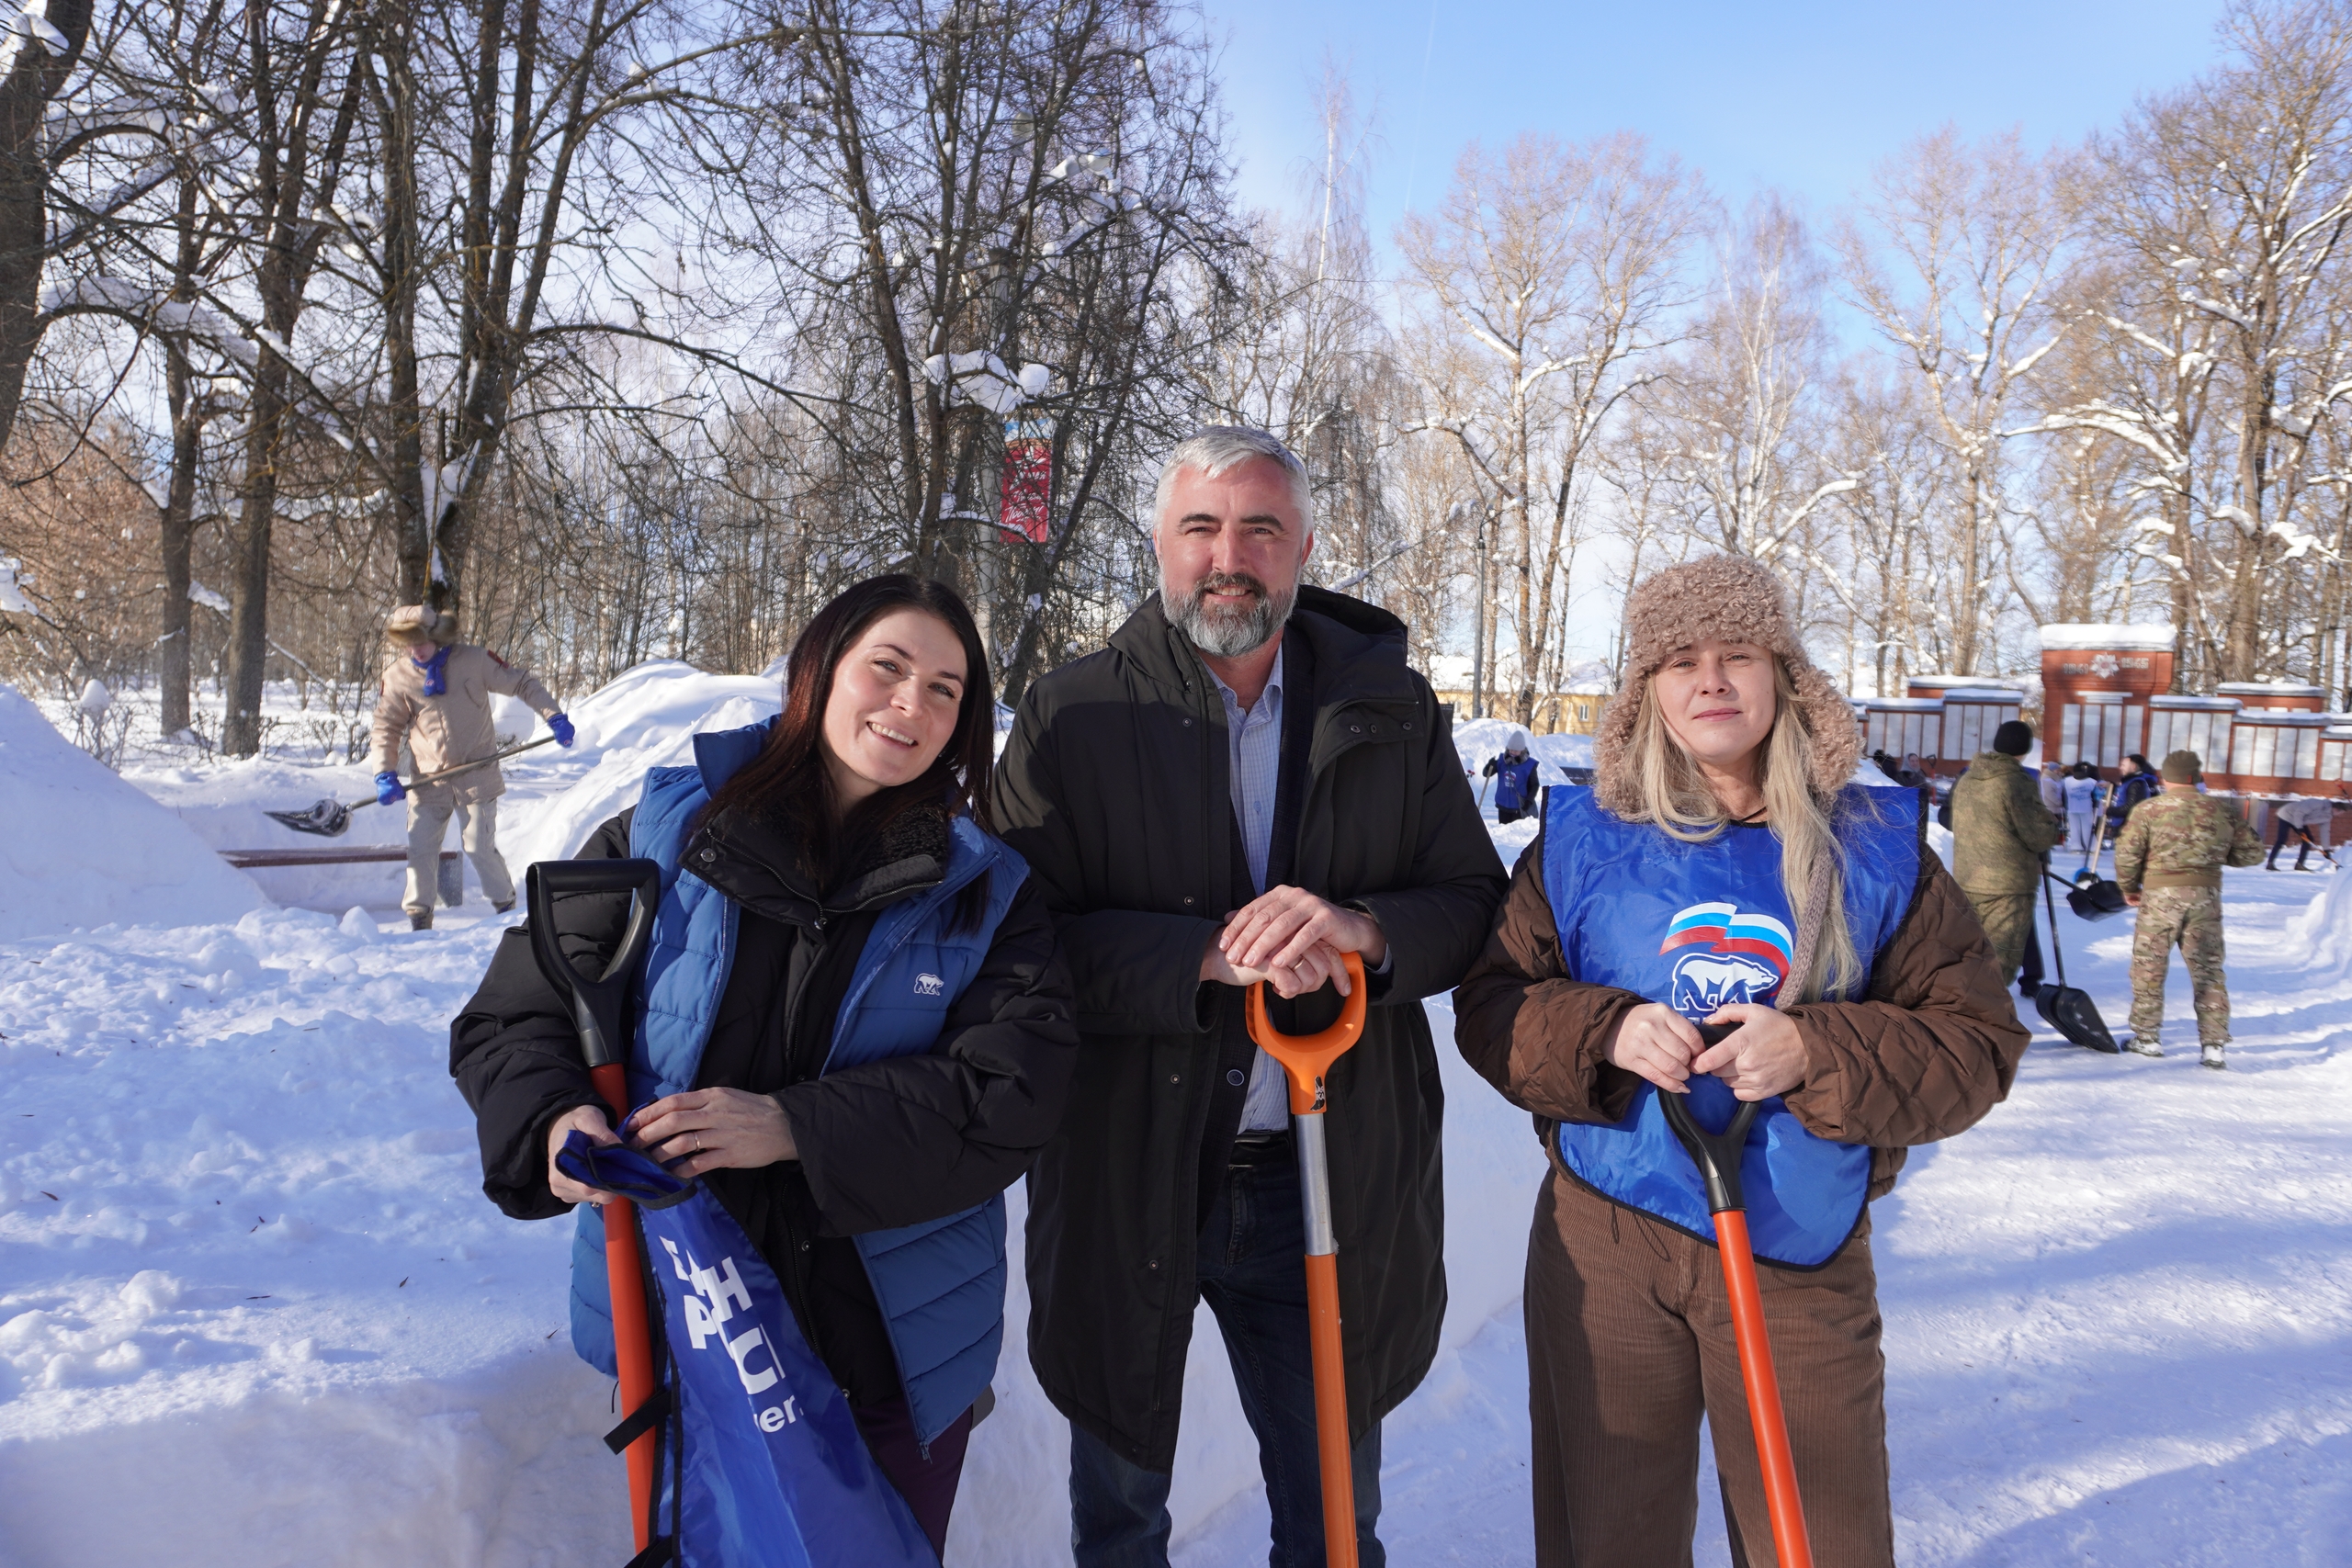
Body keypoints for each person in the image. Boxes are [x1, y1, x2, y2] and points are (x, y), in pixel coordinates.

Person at [448, 575, 1077, 1556]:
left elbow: (1010, 1095)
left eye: (947, 691)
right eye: (889, 667)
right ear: (819, 671)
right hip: (687, 1333)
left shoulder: (988, 895)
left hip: (887, 1356)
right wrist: (553, 1125)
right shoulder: (666, 833)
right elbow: (515, 1016)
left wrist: (791, 1125)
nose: (912, 705)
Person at [993, 425, 1507, 1568]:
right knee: (1119, 1517)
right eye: (1201, 529)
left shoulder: (1392, 711)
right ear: (1160, 548)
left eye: (1261, 530)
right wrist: (1203, 958)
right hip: (1134, 1170)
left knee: (1333, 1520)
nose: (1231, 556)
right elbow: (1019, 948)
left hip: (1325, 1177)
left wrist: (1363, 931)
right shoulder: (1071, 717)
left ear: (1304, 548)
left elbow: (1474, 901)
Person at [1452, 554, 2027, 1567]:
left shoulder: (1875, 849)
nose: (1709, 681)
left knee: (1819, 1542)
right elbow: (1493, 1007)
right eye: (1679, 661)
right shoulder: (1584, 841)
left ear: (1782, 678)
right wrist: (1604, 1031)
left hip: (1794, 1247)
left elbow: (1974, 1048)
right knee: (1606, 1538)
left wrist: (1817, 1047)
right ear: (1648, 693)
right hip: (1608, 1239)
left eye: (1735, 654)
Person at [368, 603, 575, 930]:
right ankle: (419, 919)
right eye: (407, 644)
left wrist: (554, 715)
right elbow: (386, 729)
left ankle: (506, 907)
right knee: (421, 848)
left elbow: (521, 682)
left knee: (478, 845)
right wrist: (384, 772)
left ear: (436, 635)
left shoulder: (474, 660)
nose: (414, 650)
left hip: (477, 773)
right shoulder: (397, 677)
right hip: (429, 779)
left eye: (419, 641)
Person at [2116, 749, 2266, 1068]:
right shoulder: (2221, 811)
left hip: (2158, 898)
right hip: (2205, 898)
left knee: (2149, 967)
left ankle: (2147, 1037)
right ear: (2196, 778)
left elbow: (2127, 855)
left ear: (2164, 777)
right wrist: (2215, 860)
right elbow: (2253, 853)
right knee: (2208, 970)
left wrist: (2130, 889)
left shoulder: (2148, 810)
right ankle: (2213, 1045)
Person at [1948, 717, 2066, 987]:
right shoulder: (2014, 781)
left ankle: (1962, 1012)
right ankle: (1980, 1021)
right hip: (2007, 886)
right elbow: (2038, 834)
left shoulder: (1968, 779)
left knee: (1971, 954)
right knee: (2001, 962)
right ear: (2024, 749)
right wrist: (2050, 824)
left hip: (1969, 879)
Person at [2265, 795, 2338, 871]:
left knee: (2308, 839)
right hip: (2286, 814)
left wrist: (2326, 850)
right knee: (2281, 839)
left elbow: (2325, 832)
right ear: (2335, 809)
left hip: (2298, 820)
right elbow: (2299, 813)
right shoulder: (2318, 803)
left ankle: (2299, 864)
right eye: (2340, 812)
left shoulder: (2327, 817)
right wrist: (2299, 828)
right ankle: (2270, 863)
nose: (2339, 814)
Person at [1485, 728, 1543, 824]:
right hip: (1503, 805)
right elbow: (1486, 774)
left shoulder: (1529, 765)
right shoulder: (1502, 760)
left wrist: (1529, 800)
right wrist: (1489, 766)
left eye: (1516, 751)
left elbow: (1534, 785)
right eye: (1511, 749)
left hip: (1519, 807)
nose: (1512, 752)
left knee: (1515, 833)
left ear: (1522, 750)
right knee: (1503, 832)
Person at [2109, 752, 2160, 840]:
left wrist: (2109, 810)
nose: (2120, 768)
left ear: (2133, 767)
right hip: (2124, 827)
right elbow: (2124, 795)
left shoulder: (2136, 784)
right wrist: (2111, 785)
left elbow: (2131, 808)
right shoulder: (2129, 782)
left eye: (2123, 765)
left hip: (2130, 829)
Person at [2062, 760, 2103, 863]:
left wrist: (2064, 805)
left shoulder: (2066, 781)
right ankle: (2091, 847)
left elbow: (2063, 794)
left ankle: (2076, 846)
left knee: (2074, 828)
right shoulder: (2092, 782)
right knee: (2087, 828)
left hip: (2071, 807)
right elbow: (2097, 795)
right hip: (2086, 807)